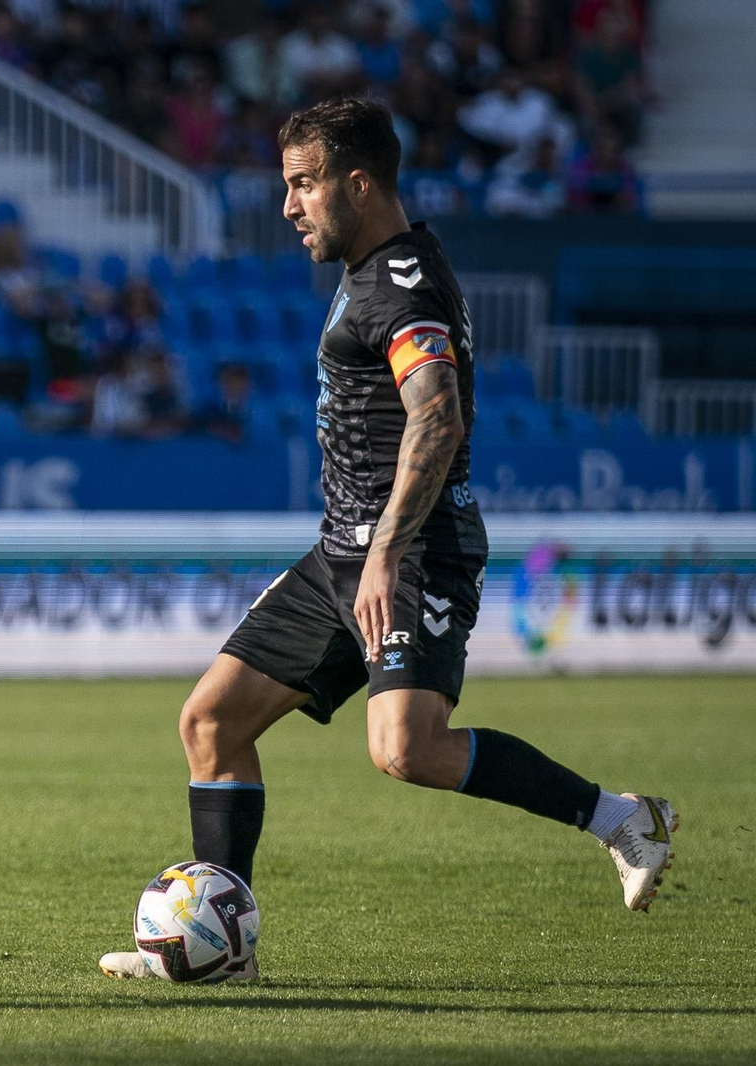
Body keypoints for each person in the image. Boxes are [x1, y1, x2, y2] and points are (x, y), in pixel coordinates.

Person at [97, 97, 676, 983]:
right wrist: (363, 551)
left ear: (358, 184)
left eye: (304, 184)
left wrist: (388, 551)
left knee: (407, 749)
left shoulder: (403, 285)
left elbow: (436, 417)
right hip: (344, 551)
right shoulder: (375, 270)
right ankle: (229, 948)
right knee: (211, 720)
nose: (289, 206)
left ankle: (622, 819)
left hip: (412, 551)